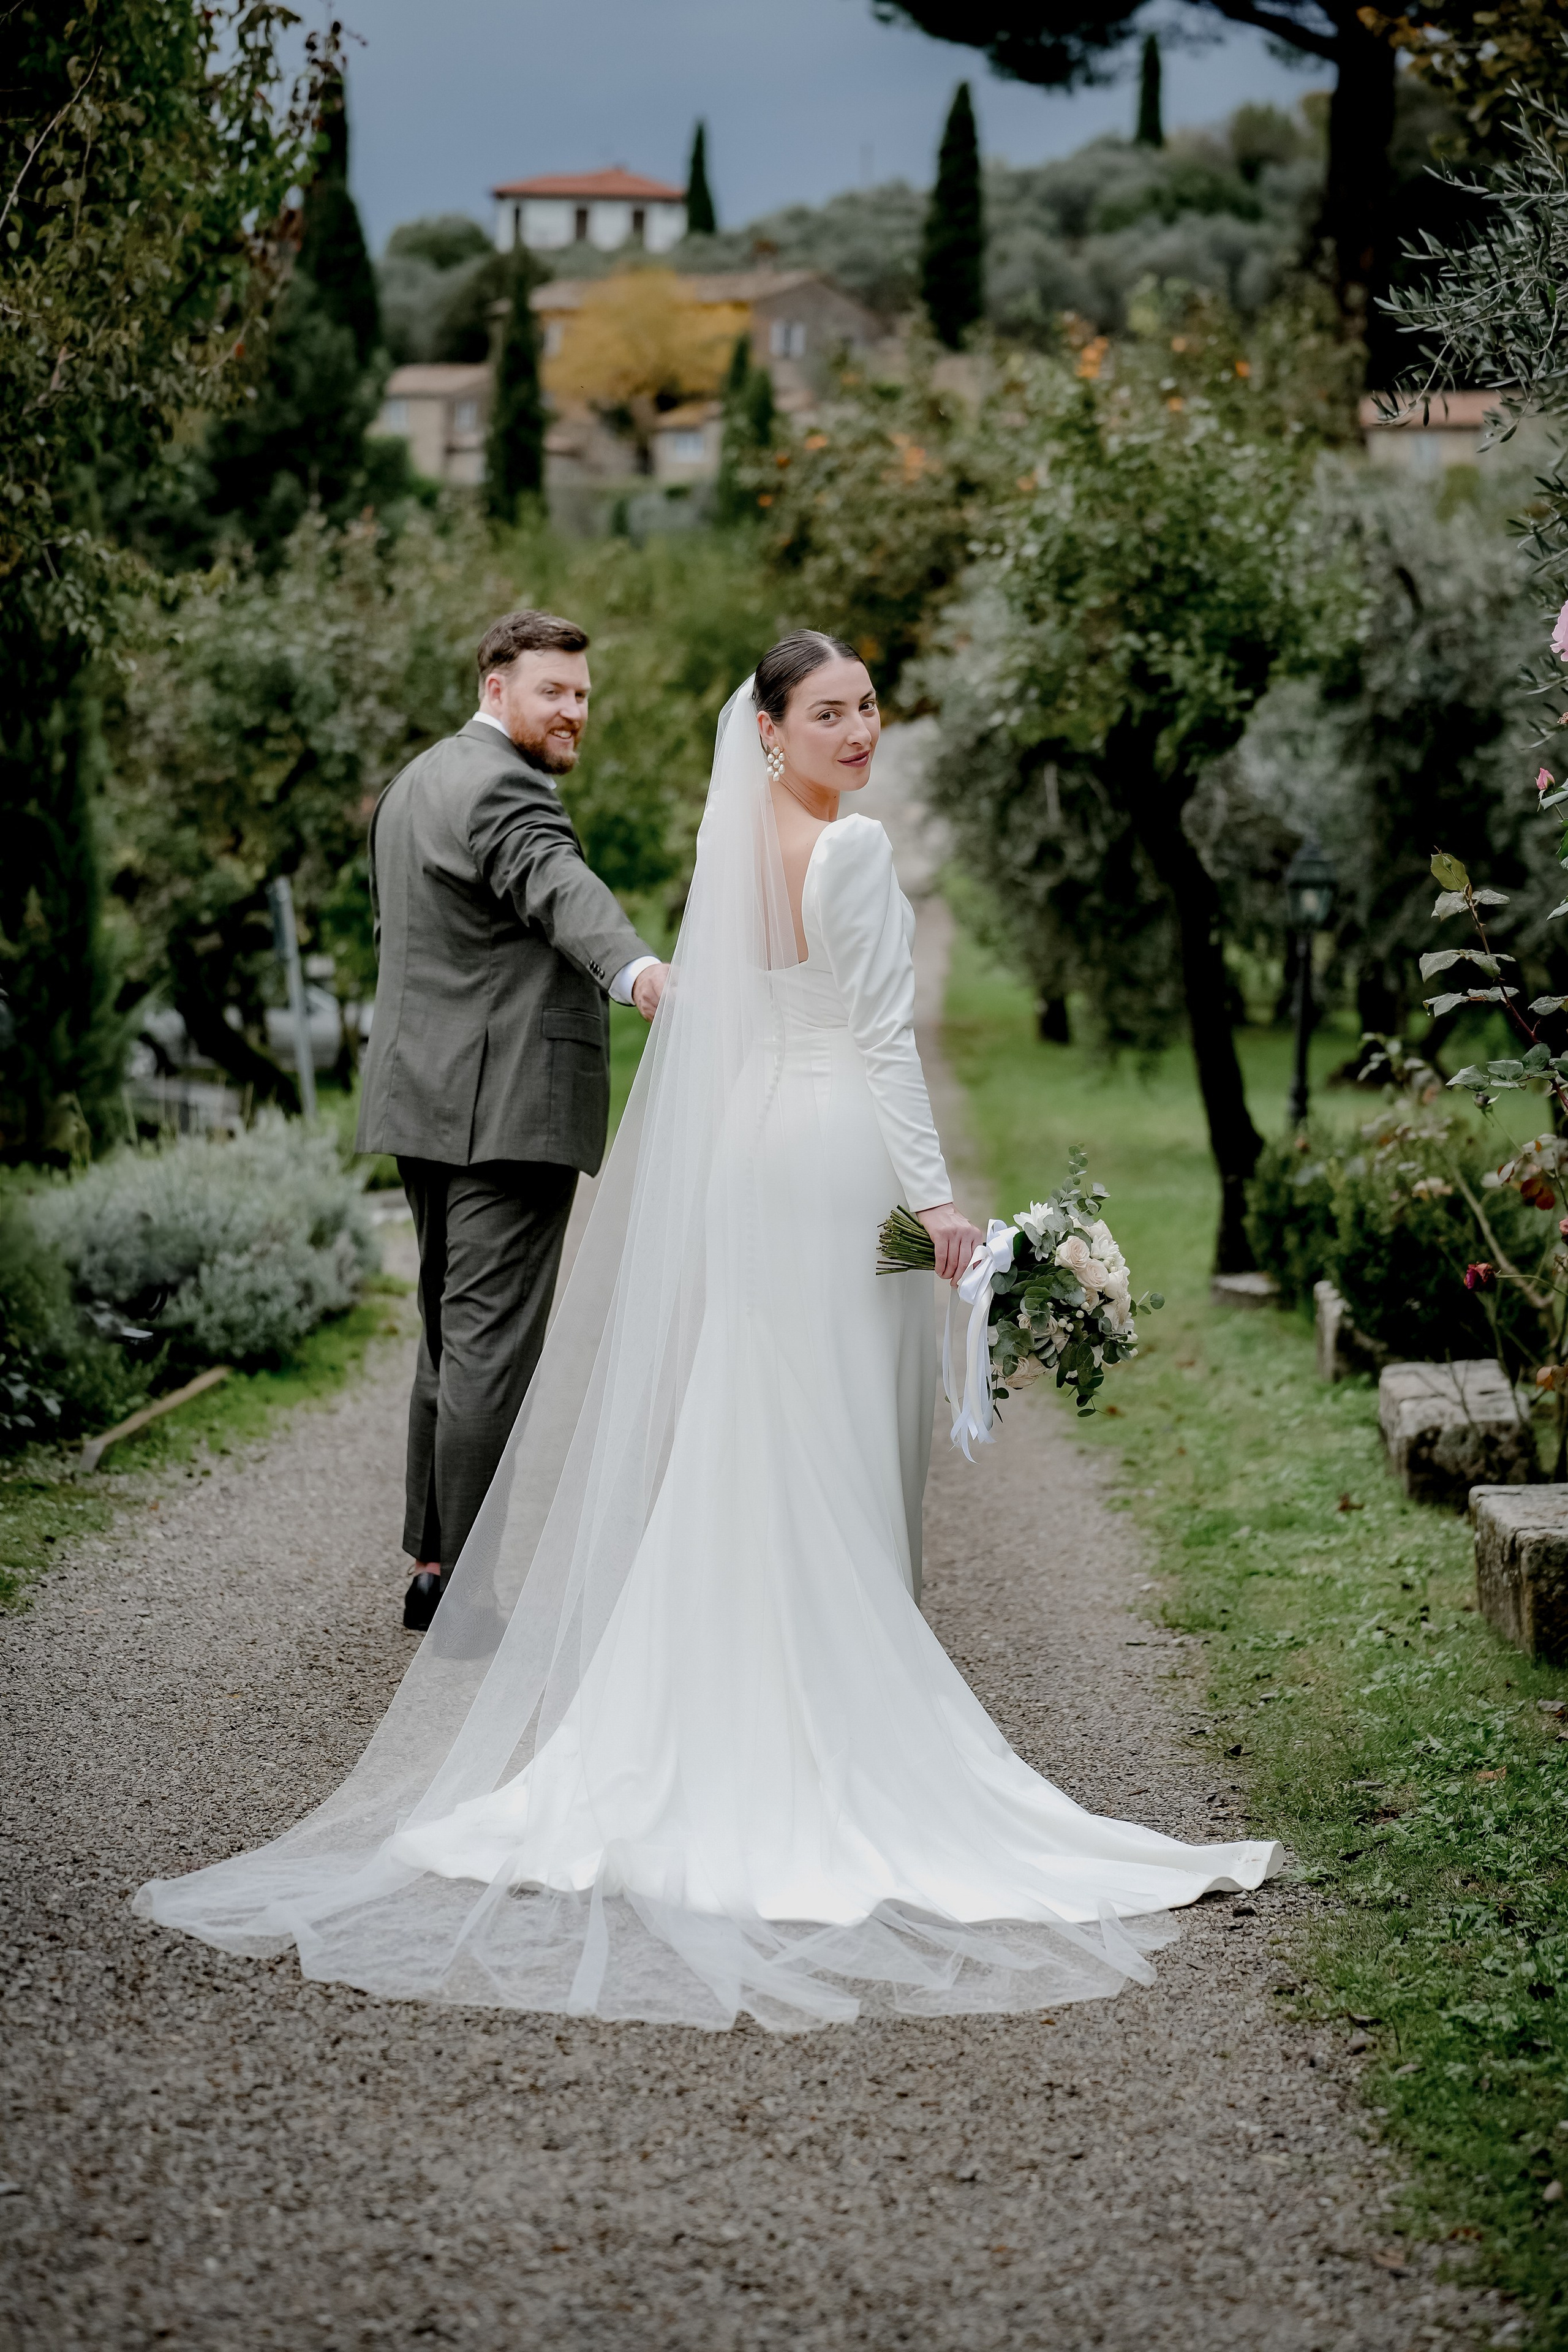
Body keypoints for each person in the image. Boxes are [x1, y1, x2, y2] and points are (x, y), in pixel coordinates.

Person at [138, 632, 1279, 2030]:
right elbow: (877, 1044)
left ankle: (693, 1712)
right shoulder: (849, 852)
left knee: (750, 1422)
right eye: (830, 712)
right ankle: (831, 1729)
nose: (859, 731)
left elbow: (734, 1029)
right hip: (830, 1156)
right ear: (772, 730)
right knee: (830, 1436)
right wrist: (935, 1204)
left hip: (749, 1150)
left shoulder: (732, 855)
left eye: (869, 708)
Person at [354, 610, 667, 1632]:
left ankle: (432, 1561)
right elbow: (554, 882)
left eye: (582, 694)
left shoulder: (413, 784)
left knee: (451, 1339)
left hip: (424, 1097)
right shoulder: (505, 787)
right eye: (553, 692)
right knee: (490, 1347)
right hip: (507, 1111)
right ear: (497, 688)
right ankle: (461, 1592)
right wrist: (635, 967)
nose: (574, 711)